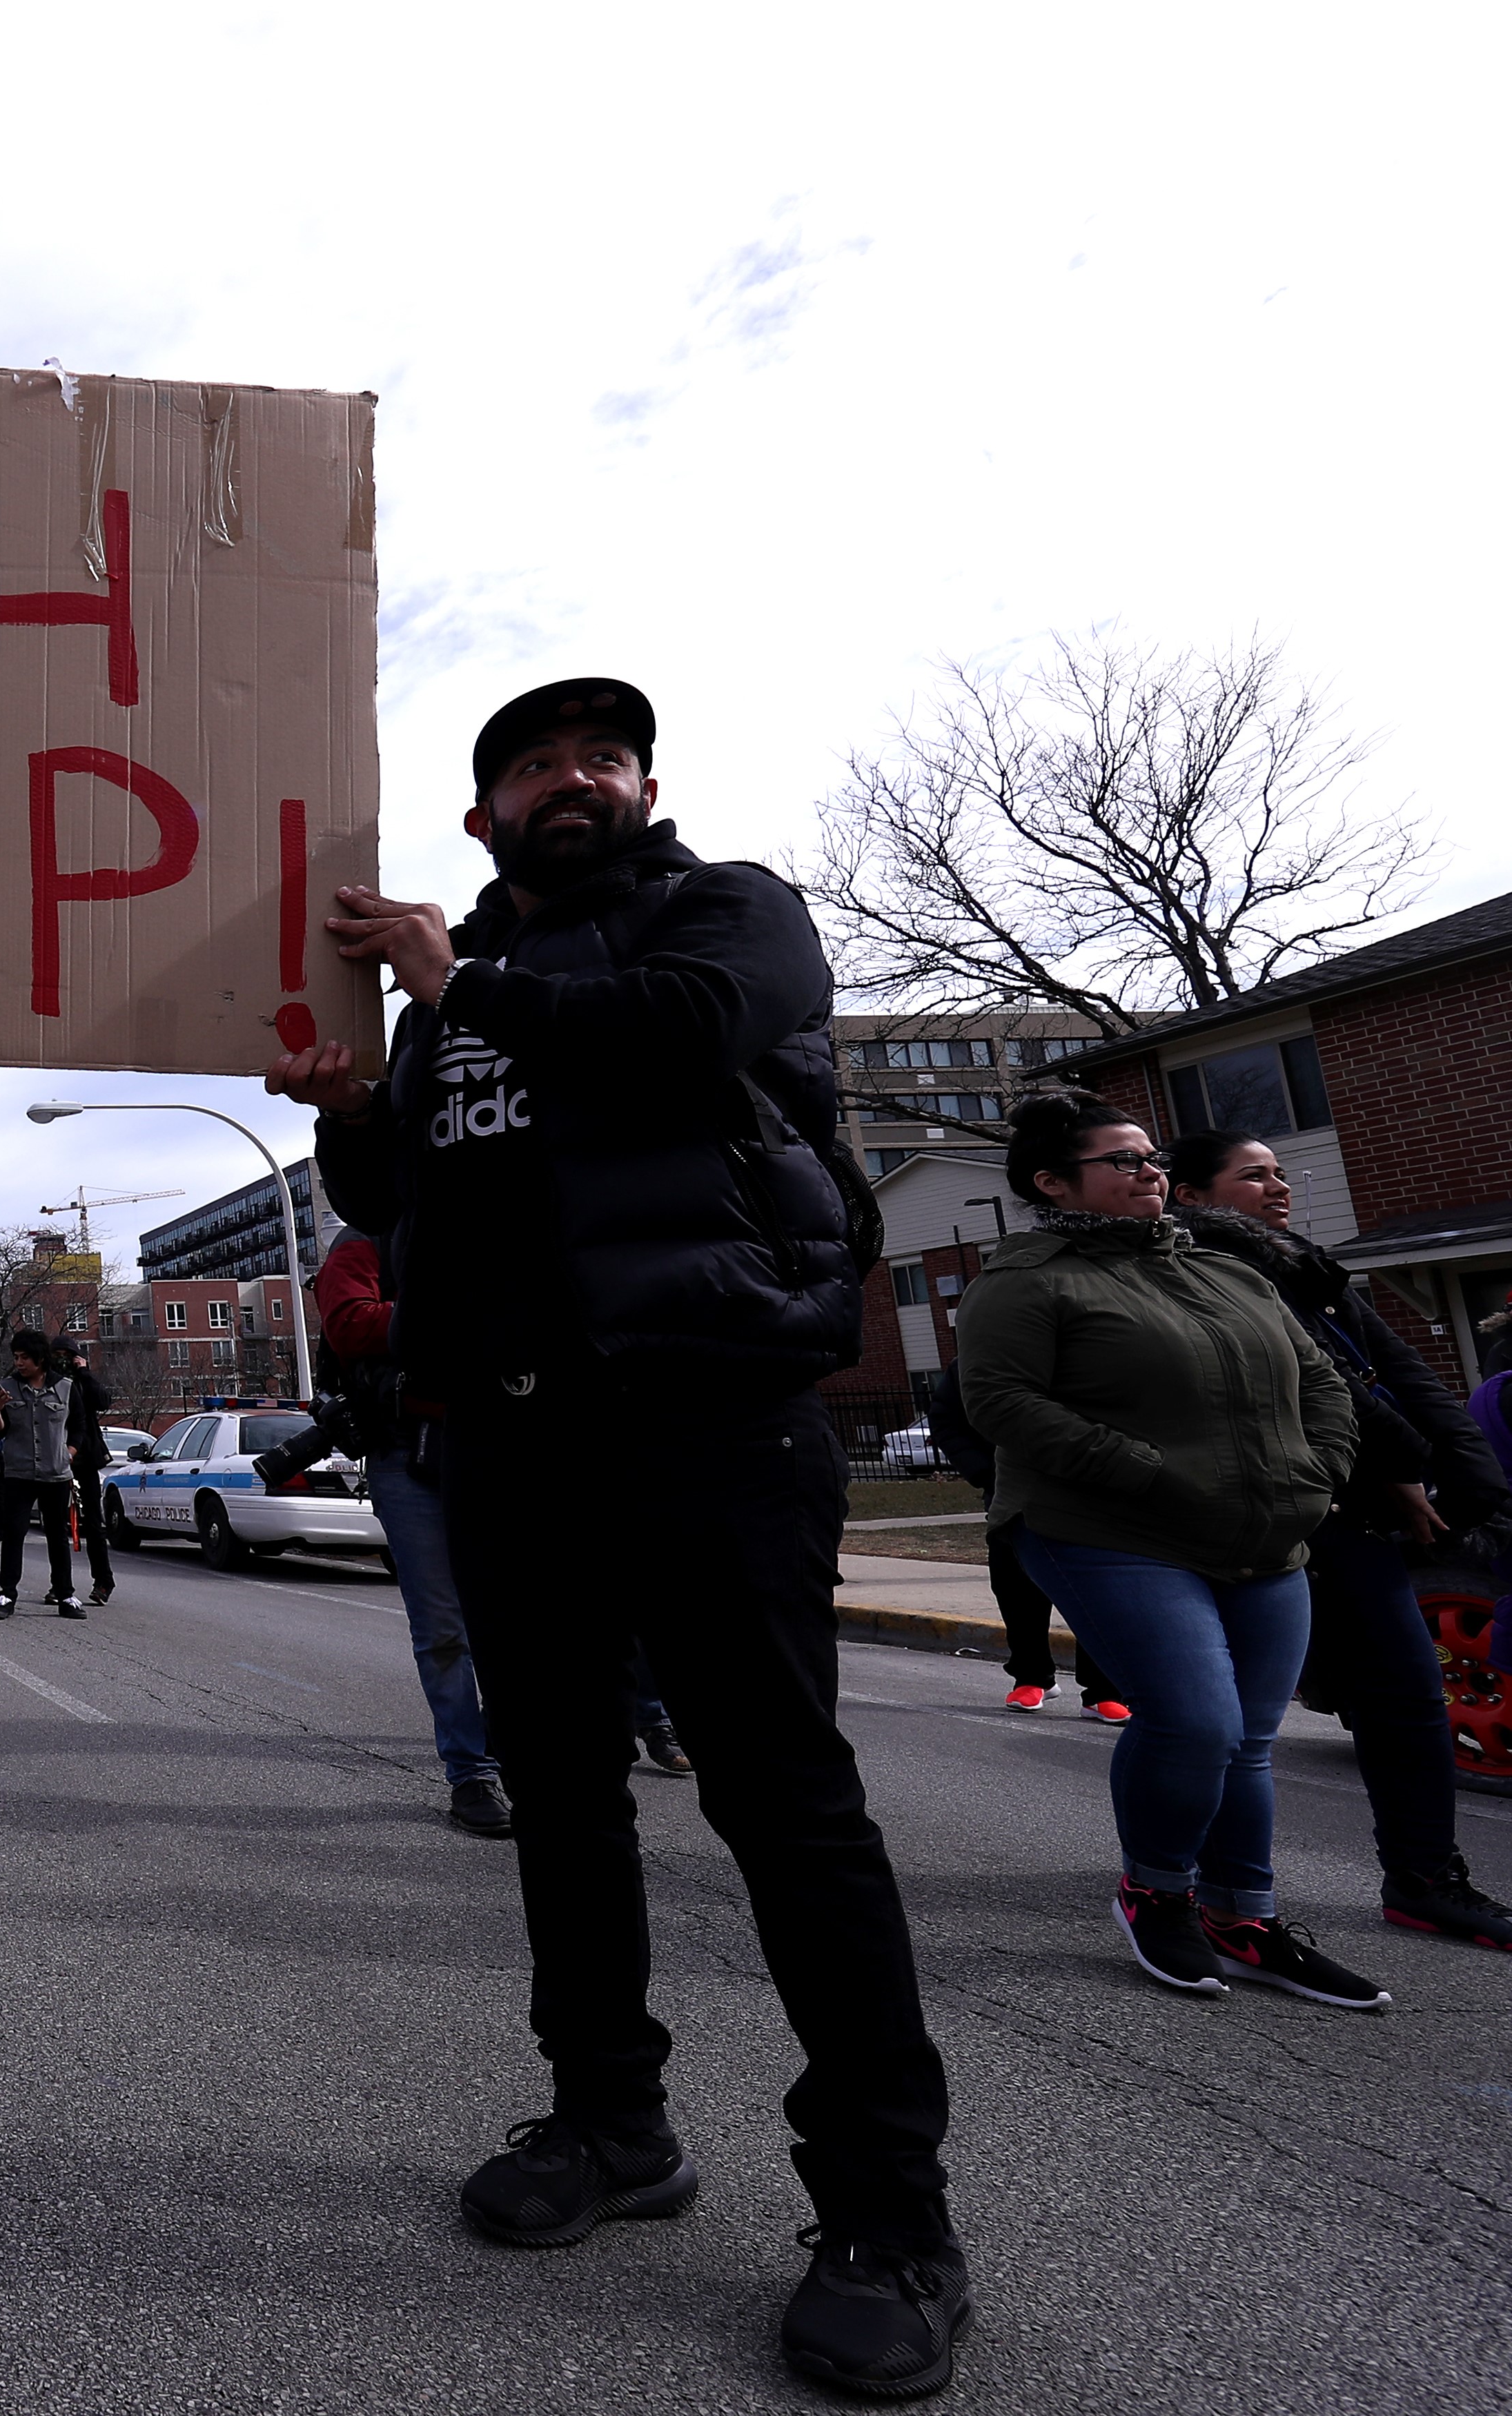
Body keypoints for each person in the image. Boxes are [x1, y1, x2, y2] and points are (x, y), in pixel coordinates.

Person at [273, 678, 968, 2396]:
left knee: (787, 1809)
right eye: (534, 764)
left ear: (645, 787)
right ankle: (611, 2121)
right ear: (484, 816)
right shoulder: (452, 991)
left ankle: (889, 2215)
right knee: (566, 1806)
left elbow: (681, 1034)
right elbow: (394, 1197)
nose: (572, 778)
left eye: (602, 757)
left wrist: (457, 982)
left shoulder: (724, 913)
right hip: (509, 1438)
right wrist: (350, 1103)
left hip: (708, 1417)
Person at [959, 1095, 1368, 2014]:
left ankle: (1243, 1917)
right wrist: (1144, 1471)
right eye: (1122, 1160)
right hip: (1111, 1533)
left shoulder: (1226, 1272)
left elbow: (1318, 1378)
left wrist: (1320, 1468)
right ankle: (1155, 1893)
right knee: (1194, 1724)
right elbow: (1001, 1403)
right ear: (1052, 1183)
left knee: (1247, 1742)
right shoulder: (1023, 1282)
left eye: (1150, 1157)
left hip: (1267, 1534)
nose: (1149, 1171)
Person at [1166, 1128, 1512, 1952]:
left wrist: (1473, 1481)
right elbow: (1322, 1382)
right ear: (1191, 1195)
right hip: (1254, 1521)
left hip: (1350, 1518)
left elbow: (1401, 1372)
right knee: (1214, 1720)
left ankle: (1423, 1879)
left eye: (1280, 1172)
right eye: (1253, 1175)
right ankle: (1176, 1878)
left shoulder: (1307, 1270)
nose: (1278, 1186)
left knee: (1407, 1696)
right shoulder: (1196, 1271)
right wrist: (1400, 1468)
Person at [313, 1230, 512, 1838]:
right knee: (443, 1627)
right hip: (408, 1451)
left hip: (502, 1439)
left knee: (516, 1619)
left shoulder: (494, 1224)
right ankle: (471, 1773)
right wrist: (461, 1311)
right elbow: (350, 1325)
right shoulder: (368, 1239)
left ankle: (508, 1747)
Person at [925, 1340, 1128, 1722]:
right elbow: (946, 1418)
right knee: (1016, 1586)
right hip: (1012, 1495)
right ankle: (1032, 1677)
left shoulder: (1088, 1350)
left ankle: (1103, 1690)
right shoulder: (978, 1358)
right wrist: (985, 1471)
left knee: (1095, 1592)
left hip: (1086, 1493)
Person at [0, 1330, 81, 1619]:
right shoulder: (6, 1388)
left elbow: (79, 1426)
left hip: (56, 1474)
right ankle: (6, 1595)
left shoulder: (65, 1387)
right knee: (14, 1534)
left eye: (25, 1357)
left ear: (40, 1359)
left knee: (57, 1536)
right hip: (19, 1473)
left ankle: (65, 1595)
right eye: (16, 1357)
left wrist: (69, 1452)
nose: (19, 1363)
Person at [61, 1337, 117, 1607]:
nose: (62, 1362)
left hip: (85, 1460)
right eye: (57, 1356)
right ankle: (60, 1584)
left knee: (94, 1524)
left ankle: (103, 1581)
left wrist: (83, 1372)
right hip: (57, 1460)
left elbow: (104, 1401)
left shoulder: (82, 1382)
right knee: (57, 1525)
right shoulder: (48, 1382)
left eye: (66, 1357)